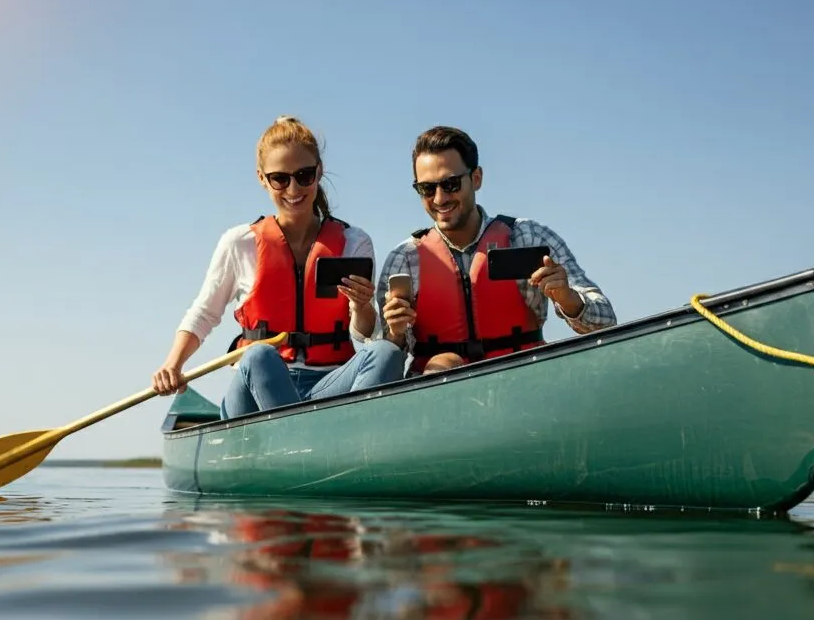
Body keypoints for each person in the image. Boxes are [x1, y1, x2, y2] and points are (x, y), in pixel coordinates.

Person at [153, 116, 405, 416]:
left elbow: (362, 336)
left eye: (304, 175)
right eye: (280, 179)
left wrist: (363, 307)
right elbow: (203, 314)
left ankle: (326, 437)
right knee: (258, 355)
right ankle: (309, 440)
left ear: (319, 172)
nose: (293, 188)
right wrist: (173, 364)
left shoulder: (354, 242)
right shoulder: (239, 243)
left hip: (327, 387)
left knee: (385, 352)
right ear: (262, 178)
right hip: (258, 389)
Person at [375, 126, 618, 375]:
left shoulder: (528, 237)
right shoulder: (403, 259)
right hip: (438, 394)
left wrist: (568, 298)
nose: (439, 199)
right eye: (427, 188)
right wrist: (395, 334)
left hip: (523, 376)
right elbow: (386, 358)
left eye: (451, 184)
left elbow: (606, 321)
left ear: (476, 178)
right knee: (441, 366)